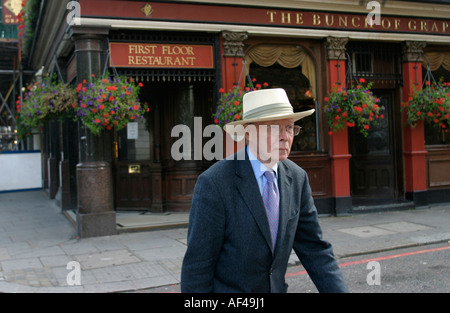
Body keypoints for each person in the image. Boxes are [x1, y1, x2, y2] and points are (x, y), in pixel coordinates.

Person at [181, 88, 348, 293]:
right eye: (274, 129)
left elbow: (316, 250)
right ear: (249, 134)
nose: (285, 137)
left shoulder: (297, 178)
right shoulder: (215, 183)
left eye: (289, 128)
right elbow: (197, 267)